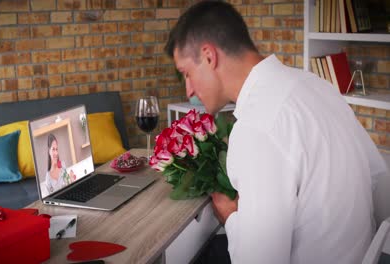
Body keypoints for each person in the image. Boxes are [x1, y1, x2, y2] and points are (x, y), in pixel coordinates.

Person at [165, 1, 388, 263]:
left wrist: (231, 218)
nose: (188, 90)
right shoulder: (318, 85)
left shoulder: (257, 126)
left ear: (209, 56)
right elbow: (374, 175)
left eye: (187, 73)